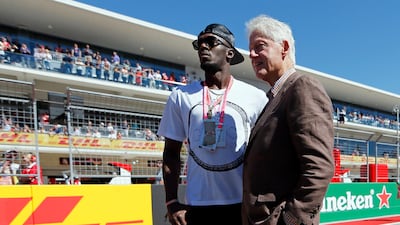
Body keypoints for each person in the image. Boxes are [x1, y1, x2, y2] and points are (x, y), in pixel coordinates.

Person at [157, 23, 268, 225]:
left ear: (230, 53)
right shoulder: (180, 96)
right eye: (199, 44)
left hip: (243, 205)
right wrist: (172, 202)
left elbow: (267, 152)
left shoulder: (256, 97)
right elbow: (171, 153)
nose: (203, 47)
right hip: (198, 206)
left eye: (211, 42)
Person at [242, 15, 335, 225]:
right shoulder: (275, 97)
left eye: (260, 46)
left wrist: (291, 219)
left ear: (283, 47)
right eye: (251, 49)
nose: (251, 54)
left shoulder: (302, 87)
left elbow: (319, 166)